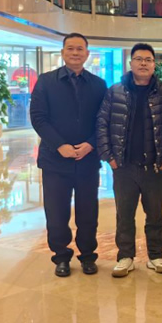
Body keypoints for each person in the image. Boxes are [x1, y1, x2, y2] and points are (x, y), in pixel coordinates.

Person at [96, 43, 162, 278]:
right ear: (130, 63)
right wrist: (109, 157)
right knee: (124, 214)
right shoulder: (115, 91)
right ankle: (125, 257)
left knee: (155, 215)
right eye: (139, 59)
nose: (143, 63)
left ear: (154, 65)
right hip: (124, 166)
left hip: (154, 166)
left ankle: (156, 255)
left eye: (148, 60)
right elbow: (102, 123)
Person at [30, 32, 107, 277]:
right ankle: (61, 257)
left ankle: (88, 256)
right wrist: (59, 145)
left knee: (88, 213)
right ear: (63, 52)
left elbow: (103, 120)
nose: (75, 53)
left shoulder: (98, 85)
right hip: (54, 161)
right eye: (70, 48)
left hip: (87, 160)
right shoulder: (46, 81)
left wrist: (91, 144)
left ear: (87, 53)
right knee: (56, 213)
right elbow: (38, 118)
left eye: (79, 49)